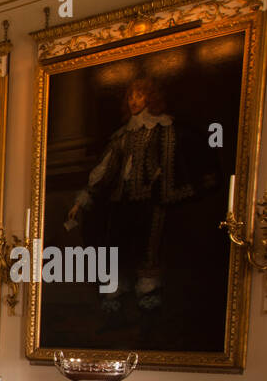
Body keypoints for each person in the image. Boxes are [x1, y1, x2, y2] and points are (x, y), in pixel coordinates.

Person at [65, 76, 191, 311]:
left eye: (139, 95)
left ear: (150, 98)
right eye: (131, 96)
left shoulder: (163, 128)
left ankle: (149, 291)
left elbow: (170, 163)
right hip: (122, 200)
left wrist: (159, 182)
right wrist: (81, 201)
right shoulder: (122, 136)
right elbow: (104, 169)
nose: (134, 101)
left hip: (151, 199)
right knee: (117, 244)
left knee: (149, 246)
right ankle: (116, 291)